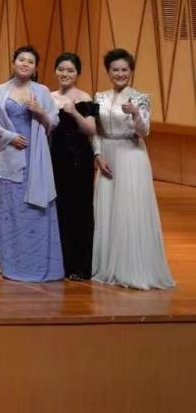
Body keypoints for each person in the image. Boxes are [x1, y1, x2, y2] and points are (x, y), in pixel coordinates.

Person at [91, 49, 174, 289]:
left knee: (129, 210)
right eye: (115, 69)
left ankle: (131, 267)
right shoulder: (99, 97)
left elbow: (143, 131)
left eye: (124, 69)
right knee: (107, 209)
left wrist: (137, 113)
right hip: (107, 155)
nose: (120, 74)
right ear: (108, 71)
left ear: (131, 71)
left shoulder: (140, 98)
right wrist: (97, 154)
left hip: (131, 156)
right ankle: (107, 265)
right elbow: (95, 130)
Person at [0, 45, 62, 283]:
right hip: (11, 156)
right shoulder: (0, 91)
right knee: (11, 210)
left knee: (37, 210)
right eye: (21, 60)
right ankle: (12, 265)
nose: (25, 64)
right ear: (13, 63)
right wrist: (10, 137)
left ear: (35, 68)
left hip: (36, 158)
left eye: (30, 62)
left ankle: (39, 264)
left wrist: (40, 112)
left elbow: (54, 122)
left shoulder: (42, 91)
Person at [49, 52, 98, 281]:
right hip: (56, 158)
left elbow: (91, 130)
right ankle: (63, 263)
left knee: (80, 210)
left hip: (80, 159)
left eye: (70, 70)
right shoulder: (48, 97)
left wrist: (74, 112)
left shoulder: (84, 97)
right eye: (61, 69)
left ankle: (81, 265)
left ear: (78, 73)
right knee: (60, 209)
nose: (65, 74)